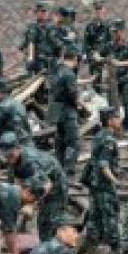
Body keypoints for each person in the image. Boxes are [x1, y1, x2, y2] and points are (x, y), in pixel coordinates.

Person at [0, 132, 67, 241]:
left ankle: (57, 246)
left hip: (55, 185)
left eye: (10, 155)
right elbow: (13, 185)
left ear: (18, 148)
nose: (8, 158)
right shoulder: (13, 160)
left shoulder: (31, 163)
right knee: (41, 221)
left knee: (49, 221)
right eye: (5, 156)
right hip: (37, 182)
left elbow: (46, 185)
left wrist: (31, 205)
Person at [81, 106, 124, 252]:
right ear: (110, 121)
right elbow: (103, 164)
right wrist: (115, 181)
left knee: (95, 212)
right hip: (104, 183)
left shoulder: (99, 135)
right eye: (117, 118)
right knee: (110, 213)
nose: (120, 120)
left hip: (94, 182)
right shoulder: (109, 139)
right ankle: (115, 246)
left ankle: (91, 241)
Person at [47, 46, 80, 176]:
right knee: (73, 141)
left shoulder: (57, 70)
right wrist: (78, 105)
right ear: (75, 58)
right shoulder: (69, 74)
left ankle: (58, 167)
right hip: (67, 110)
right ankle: (69, 169)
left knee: (60, 140)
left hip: (56, 110)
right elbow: (72, 93)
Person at [109, 20, 128, 131]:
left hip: (127, 79)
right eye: (113, 32)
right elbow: (107, 55)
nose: (114, 34)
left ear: (121, 31)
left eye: (116, 32)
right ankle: (125, 123)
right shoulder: (113, 45)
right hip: (117, 79)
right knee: (120, 103)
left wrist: (119, 63)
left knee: (127, 102)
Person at [83, 1, 112, 90]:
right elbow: (86, 43)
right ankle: (97, 99)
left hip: (105, 57)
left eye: (100, 10)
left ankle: (110, 102)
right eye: (96, 10)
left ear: (104, 11)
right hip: (94, 58)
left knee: (110, 82)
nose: (98, 12)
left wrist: (107, 56)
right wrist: (89, 55)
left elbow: (111, 42)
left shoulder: (108, 26)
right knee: (96, 82)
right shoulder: (89, 26)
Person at [20, 2, 54, 75]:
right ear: (36, 13)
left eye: (44, 12)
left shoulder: (51, 28)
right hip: (38, 61)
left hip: (50, 60)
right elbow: (29, 43)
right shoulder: (33, 28)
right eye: (40, 12)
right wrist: (30, 58)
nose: (43, 14)